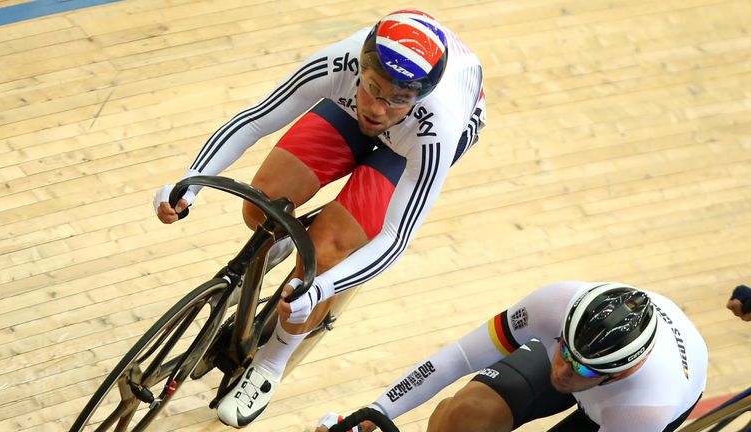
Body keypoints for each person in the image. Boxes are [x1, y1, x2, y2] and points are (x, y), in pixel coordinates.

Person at [153, 8, 486, 428]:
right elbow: (253, 120)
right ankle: (285, 243)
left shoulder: (439, 127)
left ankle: (271, 364)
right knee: (261, 204)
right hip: (355, 112)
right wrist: (188, 184)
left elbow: (396, 238)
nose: (378, 109)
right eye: (372, 88)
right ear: (361, 68)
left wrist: (323, 286)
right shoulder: (340, 62)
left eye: (396, 99)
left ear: (417, 97)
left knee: (326, 255)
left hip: (411, 144)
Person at [318, 281, 708, 432]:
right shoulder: (554, 304)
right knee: (463, 418)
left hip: (622, 410)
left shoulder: (642, 414)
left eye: (583, 370)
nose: (563, 371)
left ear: (619, 373)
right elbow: (458, 358)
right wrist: (375, 411)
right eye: (564, 351)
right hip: (601, 371)